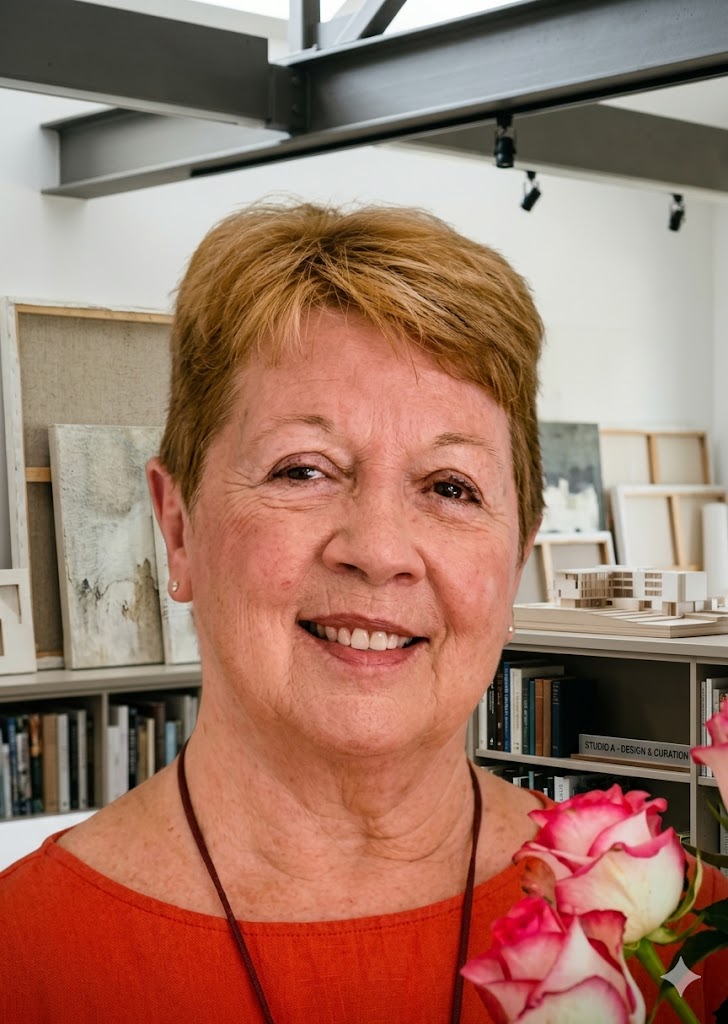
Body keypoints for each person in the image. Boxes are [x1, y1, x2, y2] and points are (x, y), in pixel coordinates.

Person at [0, 202, 725, 1023]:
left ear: (516, 558)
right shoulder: (21, 957)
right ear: (177, 528)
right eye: (303, 471)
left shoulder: (693, 938)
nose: (378, 551)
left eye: (450, 487)